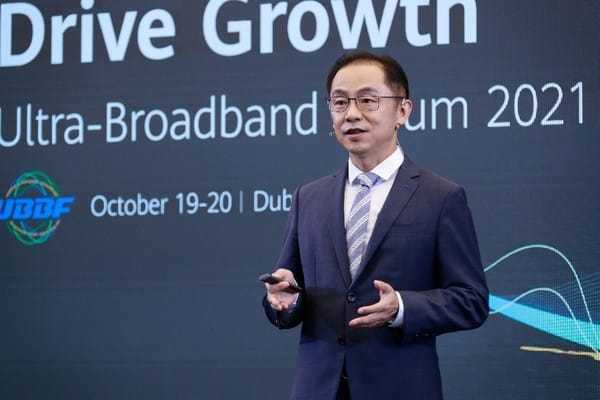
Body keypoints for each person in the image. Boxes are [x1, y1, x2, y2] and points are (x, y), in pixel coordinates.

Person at [262, 51, 489, 400]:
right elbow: (291, 291)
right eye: (340, 102)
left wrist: (401, 307)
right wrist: (285, 302)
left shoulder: (441, 197)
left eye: (368, 100)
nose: (352, 114)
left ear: (403, 111)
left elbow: (471, 301)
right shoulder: (309, 198)